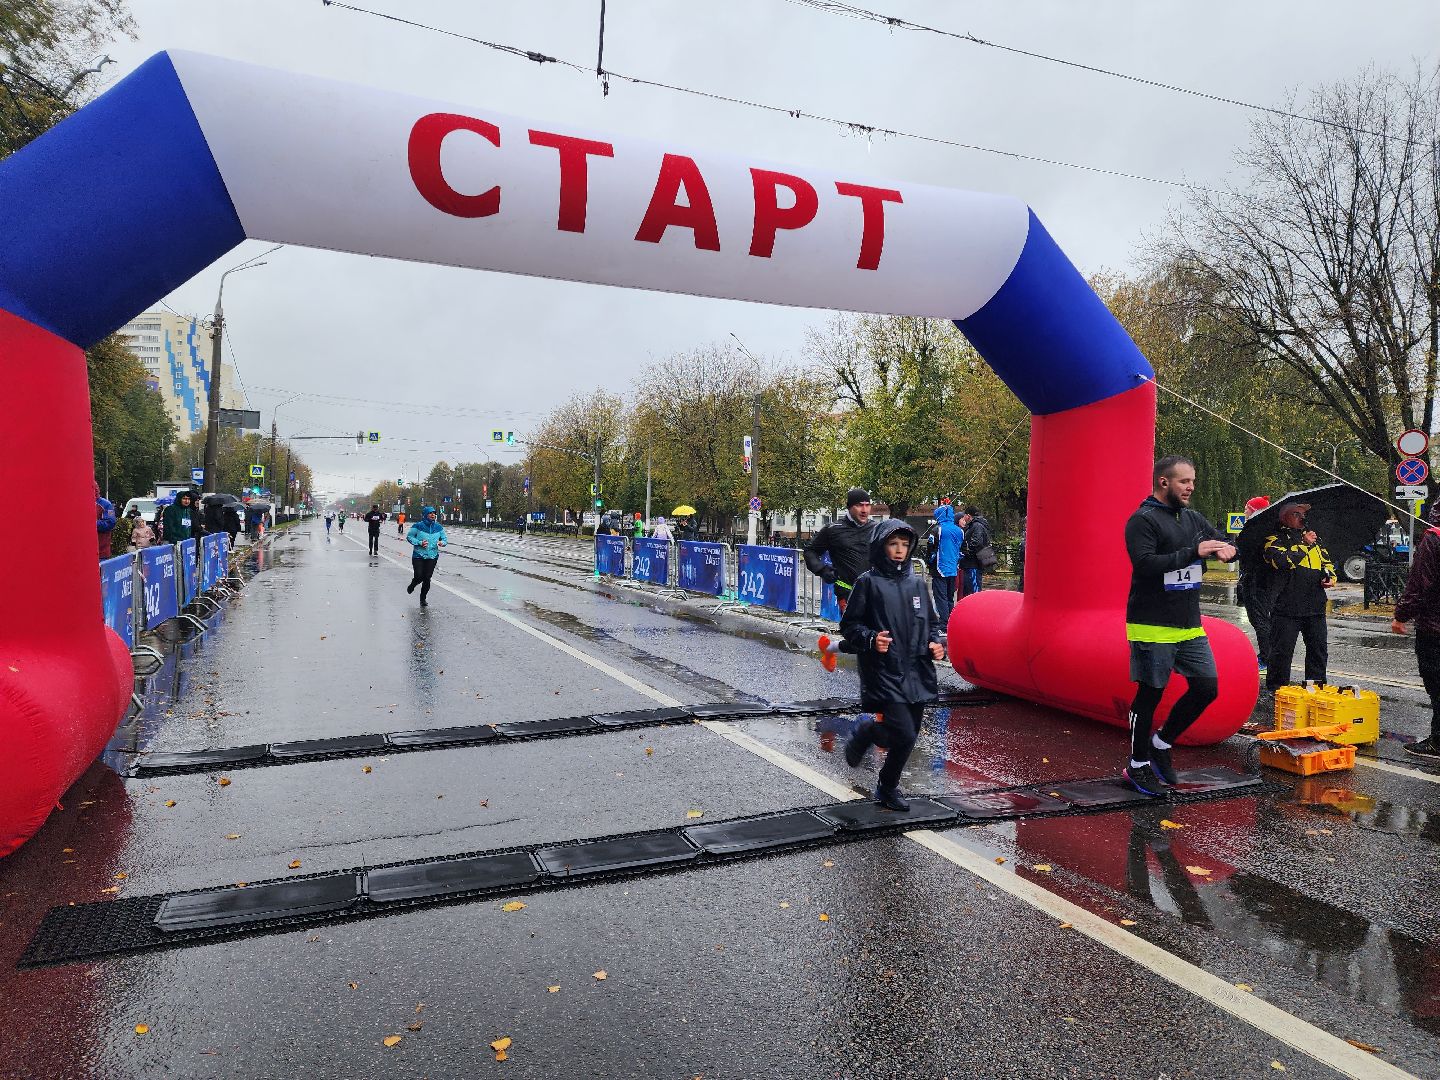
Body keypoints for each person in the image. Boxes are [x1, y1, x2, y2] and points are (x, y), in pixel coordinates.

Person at [1122, 456, 1237, 795]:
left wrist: (1225, 550)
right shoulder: (1142, 520)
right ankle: (1137, 764)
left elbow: (1225, 544)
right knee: (1150, 695)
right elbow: (1144, 564)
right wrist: (1193, 552)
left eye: (1192, 481)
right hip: (1151, 624)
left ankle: (1162, 743)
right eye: (1184, 481)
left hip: (1189, 625)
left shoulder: (1193, 519)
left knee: (1206, 688)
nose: (1191, 487)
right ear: (1163, 483)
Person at [838, 519, 946, 811]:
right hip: (884, 670)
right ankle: (868, 731)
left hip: (918, 670)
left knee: (908, 737)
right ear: (880, 546)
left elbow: (932, 624)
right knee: (905, 733)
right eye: (892, 544)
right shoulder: (868, 582)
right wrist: (872, 639)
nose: (899, 550)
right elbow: (849, 627)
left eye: (903, 544)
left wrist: (938, 644)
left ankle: (887, 788)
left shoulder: (916, 584)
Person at [1263, 502, 1335, 690]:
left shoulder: (1315, 540)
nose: (1302, 518)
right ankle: (1277, 689)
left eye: (1304, 514)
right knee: (1282, 652)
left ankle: (1316, 688)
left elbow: (1327, 563)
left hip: (1315, 606)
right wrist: (1303, 544)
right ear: (1284, 516)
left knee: (1318, 651)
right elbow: (1282, 562)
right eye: (1296, 514)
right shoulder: (1275, 539)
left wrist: (1330, 576)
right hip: (1287, 606)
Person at [1392, 502, 1440, 760]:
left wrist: (1401, 615)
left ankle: (1438, 742)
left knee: (1436, 683)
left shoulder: (1434, 539)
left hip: (1434, 627)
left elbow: (1421, 584)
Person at [803, 488, 875, 615]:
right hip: (848, 593)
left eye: (867, 505)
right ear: (849, 507)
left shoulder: (876, 528)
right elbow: (810, 551)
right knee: (855, 632)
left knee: (879, 633)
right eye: (859, 505)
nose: (864, 510)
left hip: (874, 592)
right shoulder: (833, 529)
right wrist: (822, 570)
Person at [1236, 495, 1276, 675]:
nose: (1244, 511)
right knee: (1262, 620)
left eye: (1247, 508)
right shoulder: (1269, 528)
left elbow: (1247, 554)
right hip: (1262, 581)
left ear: (1253, 510)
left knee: (1259, 620)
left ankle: (1266, 659)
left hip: (1255, 581)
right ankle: (1268, 656)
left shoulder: (1256, 530)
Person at [406, 505, 447, 607]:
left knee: (427, 578)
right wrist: (419, 542)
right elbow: (409, 537)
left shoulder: (438, 527)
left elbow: (445, 539)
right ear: (425, 515)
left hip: (432, 556)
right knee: (419, 576)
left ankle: (422, 598)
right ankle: (413, 583)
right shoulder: (417, 526)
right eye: (430, 513)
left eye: (434, 513)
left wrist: (442, 543)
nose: (433, 514)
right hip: (418, 555)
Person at [930, 502, 964, 625]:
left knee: (940, 597)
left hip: (939, 568)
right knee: (950, 597)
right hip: (953, 568)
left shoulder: (937, 530)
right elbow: (960, 547)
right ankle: (950, 620)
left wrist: (930, 562)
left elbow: (931, 548)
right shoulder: (960, 531)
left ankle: (944, 623)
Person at [956, 506, 993, 597]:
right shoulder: (975, 525)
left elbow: (977, 543)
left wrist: (966, 551)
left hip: (973, 564)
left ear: (968, 515)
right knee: (969, 589)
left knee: (973, 590)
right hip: (971, 563)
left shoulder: (977, 526)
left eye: (964, 515)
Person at [95, 482, 117, 560]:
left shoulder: (106, 504)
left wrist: (91, 524)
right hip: (83, 550)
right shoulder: (80, 502)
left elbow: (110, 522)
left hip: (101, 551)